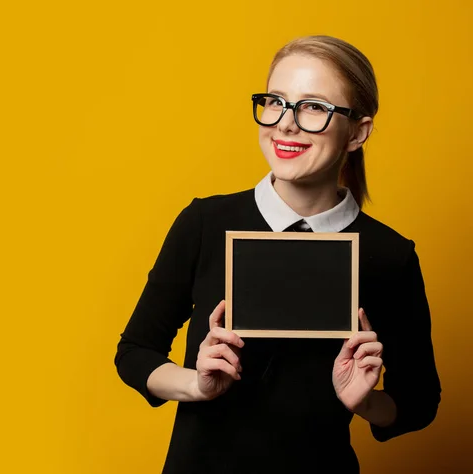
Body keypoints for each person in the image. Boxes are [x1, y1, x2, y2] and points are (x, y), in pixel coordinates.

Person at [114, 35, 441, 474]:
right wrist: (198, 384)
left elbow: (418, 403)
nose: (285, 124)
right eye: (276, 101)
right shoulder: (204, 223)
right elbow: (135, 352)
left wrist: (364, 401)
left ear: (357, 132)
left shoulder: (389, 256)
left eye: (314, 107)